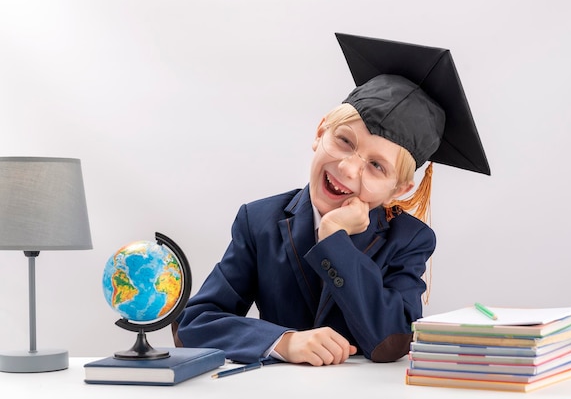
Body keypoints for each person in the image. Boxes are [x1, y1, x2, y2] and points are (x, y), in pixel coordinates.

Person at [173, 33, 490, 366]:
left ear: (399, 191)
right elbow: (193, 325)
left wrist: (334, 240)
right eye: (344, 141)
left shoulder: (409, 239)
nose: (349, 168)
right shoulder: (259, 221)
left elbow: (392, 341)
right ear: (320, 131)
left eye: (376, 166)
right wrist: (284, 342)